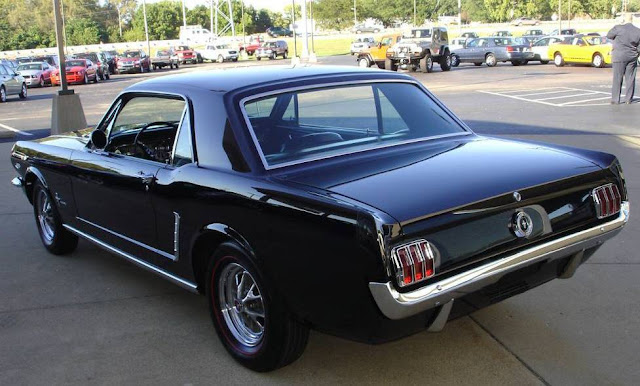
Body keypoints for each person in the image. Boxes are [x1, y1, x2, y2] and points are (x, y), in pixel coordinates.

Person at [607, 13, 640, 104]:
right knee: (630, 78)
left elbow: (609, 35)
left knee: (617, 78)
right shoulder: (638, 31)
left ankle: (615, 99)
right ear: (632, 19)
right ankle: (628, 99)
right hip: (632, 57)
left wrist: (619, 23)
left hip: (619, 56)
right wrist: (637, 54)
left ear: (624, 19)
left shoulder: (618, 28)